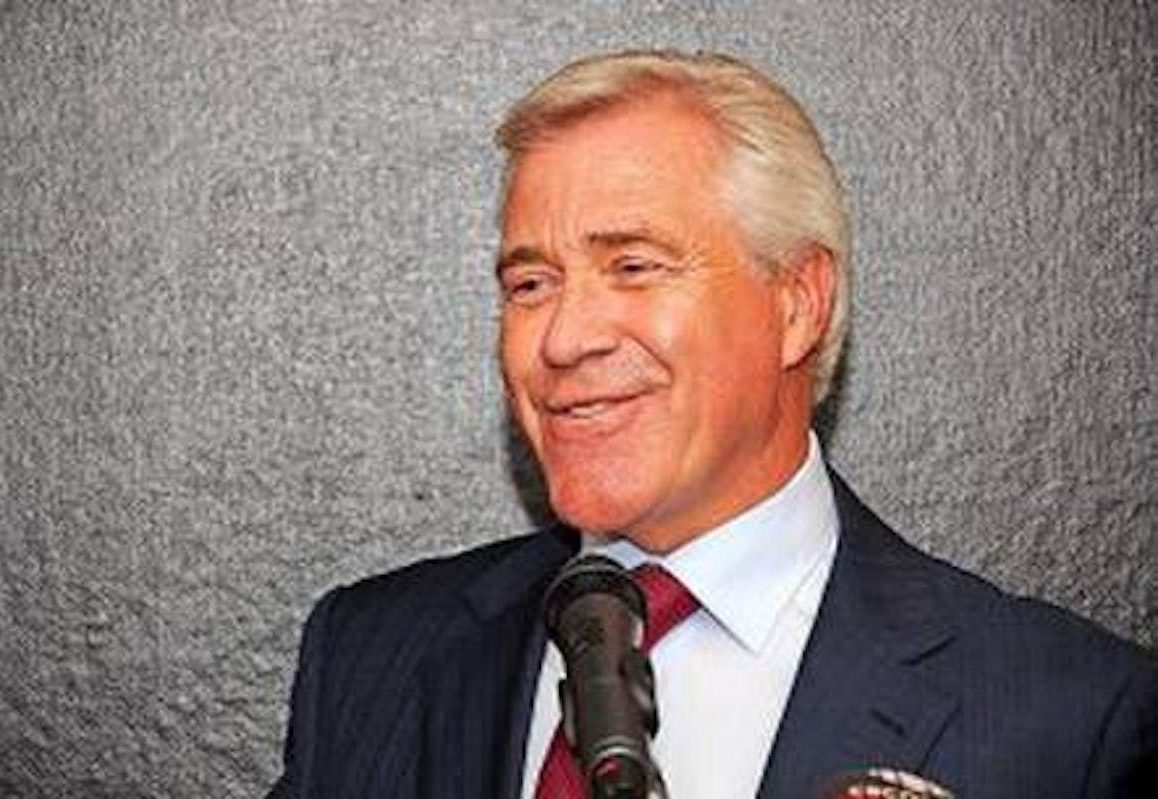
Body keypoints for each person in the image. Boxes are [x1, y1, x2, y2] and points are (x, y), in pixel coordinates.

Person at [268, 50, 1157, 798]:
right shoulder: (372, 656)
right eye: (530, 284)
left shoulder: (1069, 720)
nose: (564, 338)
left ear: (797, 304)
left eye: (634, 265)